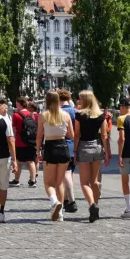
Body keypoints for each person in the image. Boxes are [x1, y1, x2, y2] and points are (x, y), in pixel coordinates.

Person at [36, 90, 74, 222]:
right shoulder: (66, 115)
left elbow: (39, 136)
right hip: (63, 147)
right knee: (59, 182)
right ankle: (61, 213)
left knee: (48, 182)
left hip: (50, 147)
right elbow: (71, 135)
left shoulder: (44, 115)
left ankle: (54, 201)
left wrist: (38, 151)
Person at [74, 90, 110, 223]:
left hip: (84, 146)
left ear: (85, 100)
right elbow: (104, 135)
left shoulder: (79, 115)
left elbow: (76, 134)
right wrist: (106, 152)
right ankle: (96, 204)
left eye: (80, 99)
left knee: (84, 183)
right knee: (94, 181)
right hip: (97, 147)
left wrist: (75, 151)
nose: (78, 101)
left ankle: (92, 205)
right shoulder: (101, 115)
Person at [10, 97, 37, 188]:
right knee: (30, 161)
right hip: (30, 141)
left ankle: (16, 180)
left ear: (19, 104)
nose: (15, 105)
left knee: (18, 161)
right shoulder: (31, 114)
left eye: (17, 103)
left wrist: (12, 139)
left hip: (19, 141)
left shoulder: (16, 115)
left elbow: (14, 129)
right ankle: (33, 180)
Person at [58, 89, 78, 213]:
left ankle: (70, 200)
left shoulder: (55, 112)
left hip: (59, 144)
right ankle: (66, 200)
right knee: (69, 173)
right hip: (71, 146)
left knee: (63, 175)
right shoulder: (74, 112)